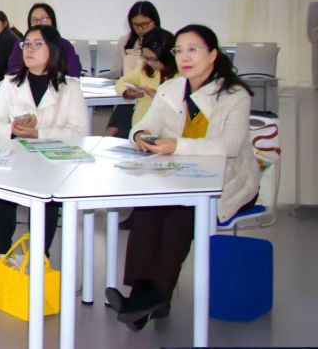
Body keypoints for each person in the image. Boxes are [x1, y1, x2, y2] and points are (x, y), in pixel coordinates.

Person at [107, 24, 260, 331]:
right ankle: (143, 295)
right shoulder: (171, 89)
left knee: (179, 213)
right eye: (179, 51)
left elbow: (230, 146)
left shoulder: (234, 95)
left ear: (213, 54)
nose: (184, 57)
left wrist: (177, 145)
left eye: (193, 49)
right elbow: (145, 124)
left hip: (227, 182)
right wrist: (141, 135)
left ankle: (152, 298)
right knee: (148, 209)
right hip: (177, 177)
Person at [0, 26, 88, 261]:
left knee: (46, 197)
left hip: (52, 162)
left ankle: (39, 256)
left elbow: (80, 133)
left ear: (52, 49)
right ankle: (0, 252)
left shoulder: (70, 87)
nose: (29, 49)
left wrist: (37, 133)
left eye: (37, 44)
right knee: (0, 194)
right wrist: (12, 130)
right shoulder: (10, 83)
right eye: (26, 44)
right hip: (14, 159)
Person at [107, 28, 178, 136]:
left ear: (166, 56)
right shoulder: (144, 68)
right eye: (146, 58)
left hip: (168, 131)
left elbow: (180, 106)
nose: (150, 63)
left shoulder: (181, 75)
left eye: (153, 59)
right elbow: (122, 81)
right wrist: (127, 92)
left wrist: (156, 96)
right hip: (140, 127)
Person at [6, 3, 82, 76]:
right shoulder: (22, 44)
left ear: (52, 21)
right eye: (34, 20)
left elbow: (74, 71)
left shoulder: (64, 44)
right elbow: (13, 69)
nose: (39, 23)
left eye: (44, 19)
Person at [106, 1, 162, 78]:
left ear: (155, 21)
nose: (140, 29)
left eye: (144, 24)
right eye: (136, 25)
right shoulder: (124, 41)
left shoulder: (166, 41)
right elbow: (116, 74)